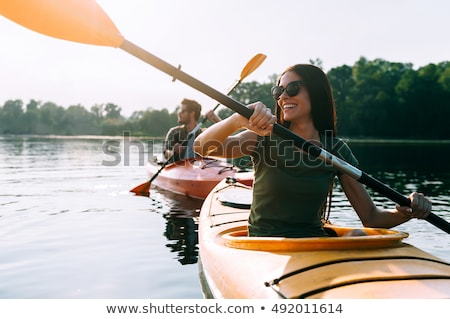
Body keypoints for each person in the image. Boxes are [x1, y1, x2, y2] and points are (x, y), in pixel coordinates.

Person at [194, 64, 432, 238]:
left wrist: (406, 212)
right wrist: (237, 119)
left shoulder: (337, 150)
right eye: (278, 92)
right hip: (264, 245)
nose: (283, 97)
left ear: (315, 92)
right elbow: (201, 147)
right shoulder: (263, 136)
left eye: (293, 88)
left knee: (358, 235)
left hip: (313, 242)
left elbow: (370, 217)